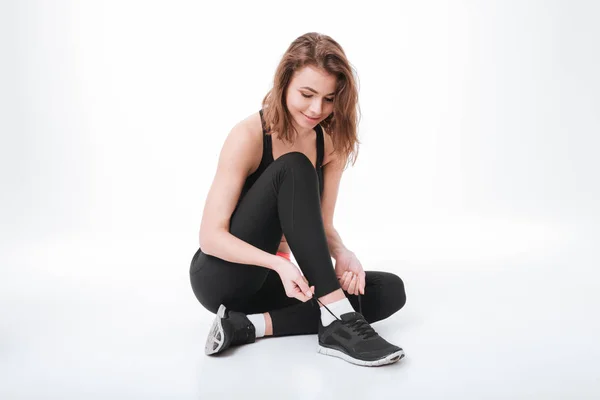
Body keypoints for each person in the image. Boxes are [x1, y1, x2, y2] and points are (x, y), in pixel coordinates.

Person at [189, 32, 407, 367]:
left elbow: (321, 224)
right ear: (284, 82)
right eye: (307, 94)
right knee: (292, 167)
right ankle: (337, 319)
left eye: (330, 98)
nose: (317, 108)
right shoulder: (248, 135)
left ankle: (248, 325)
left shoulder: (330, 144)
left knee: (387, 290)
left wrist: (342, 252)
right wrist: (278, 262)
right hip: (223, 275)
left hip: (278, 285)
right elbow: (210, 236)